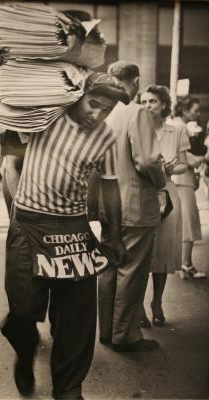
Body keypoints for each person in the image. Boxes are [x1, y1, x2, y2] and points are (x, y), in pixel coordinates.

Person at [0, 47, 129, 399]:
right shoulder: (46, 115)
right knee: (22, 313)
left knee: (78, 319)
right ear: (79, 95)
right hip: (29, 225)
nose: (97, 115)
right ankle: (24, 349)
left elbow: (110, 186)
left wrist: (114, 234)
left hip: (74, 229)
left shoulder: (106, 137)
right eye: (94, 104)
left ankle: (69, 389)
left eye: (106, 110)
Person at [95, 61, 166, 352]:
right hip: (135, 202)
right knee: (132, 270)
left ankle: (107, 330)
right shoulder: (136, 112)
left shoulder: (104, 113)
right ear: (135, 82)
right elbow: (147, 160)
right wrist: (160, 182)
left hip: (108, 204)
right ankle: (125, 335)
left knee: (110, 266)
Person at [140, 85, 190, 327]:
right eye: (145, 101)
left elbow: (184, 164)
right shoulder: (137, 129)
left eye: (153, 102)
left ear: (163, 105)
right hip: (142, 192)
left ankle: (157, 301)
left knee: (162, 251)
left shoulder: (177, 130)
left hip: (168, 194)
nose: (148, 106)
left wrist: (171, 168)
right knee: (140, 250)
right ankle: (137, 305)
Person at [171, 96, 206, 279]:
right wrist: (203, 159)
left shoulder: (174, 124)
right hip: (183, 179)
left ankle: (181, 263)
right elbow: (185, 158)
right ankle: (186, 264)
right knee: (189, 222)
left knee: (180, 222)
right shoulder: (182, 128)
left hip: (176, 179)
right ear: (185, 110)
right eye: (195, 109)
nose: (198, 113)